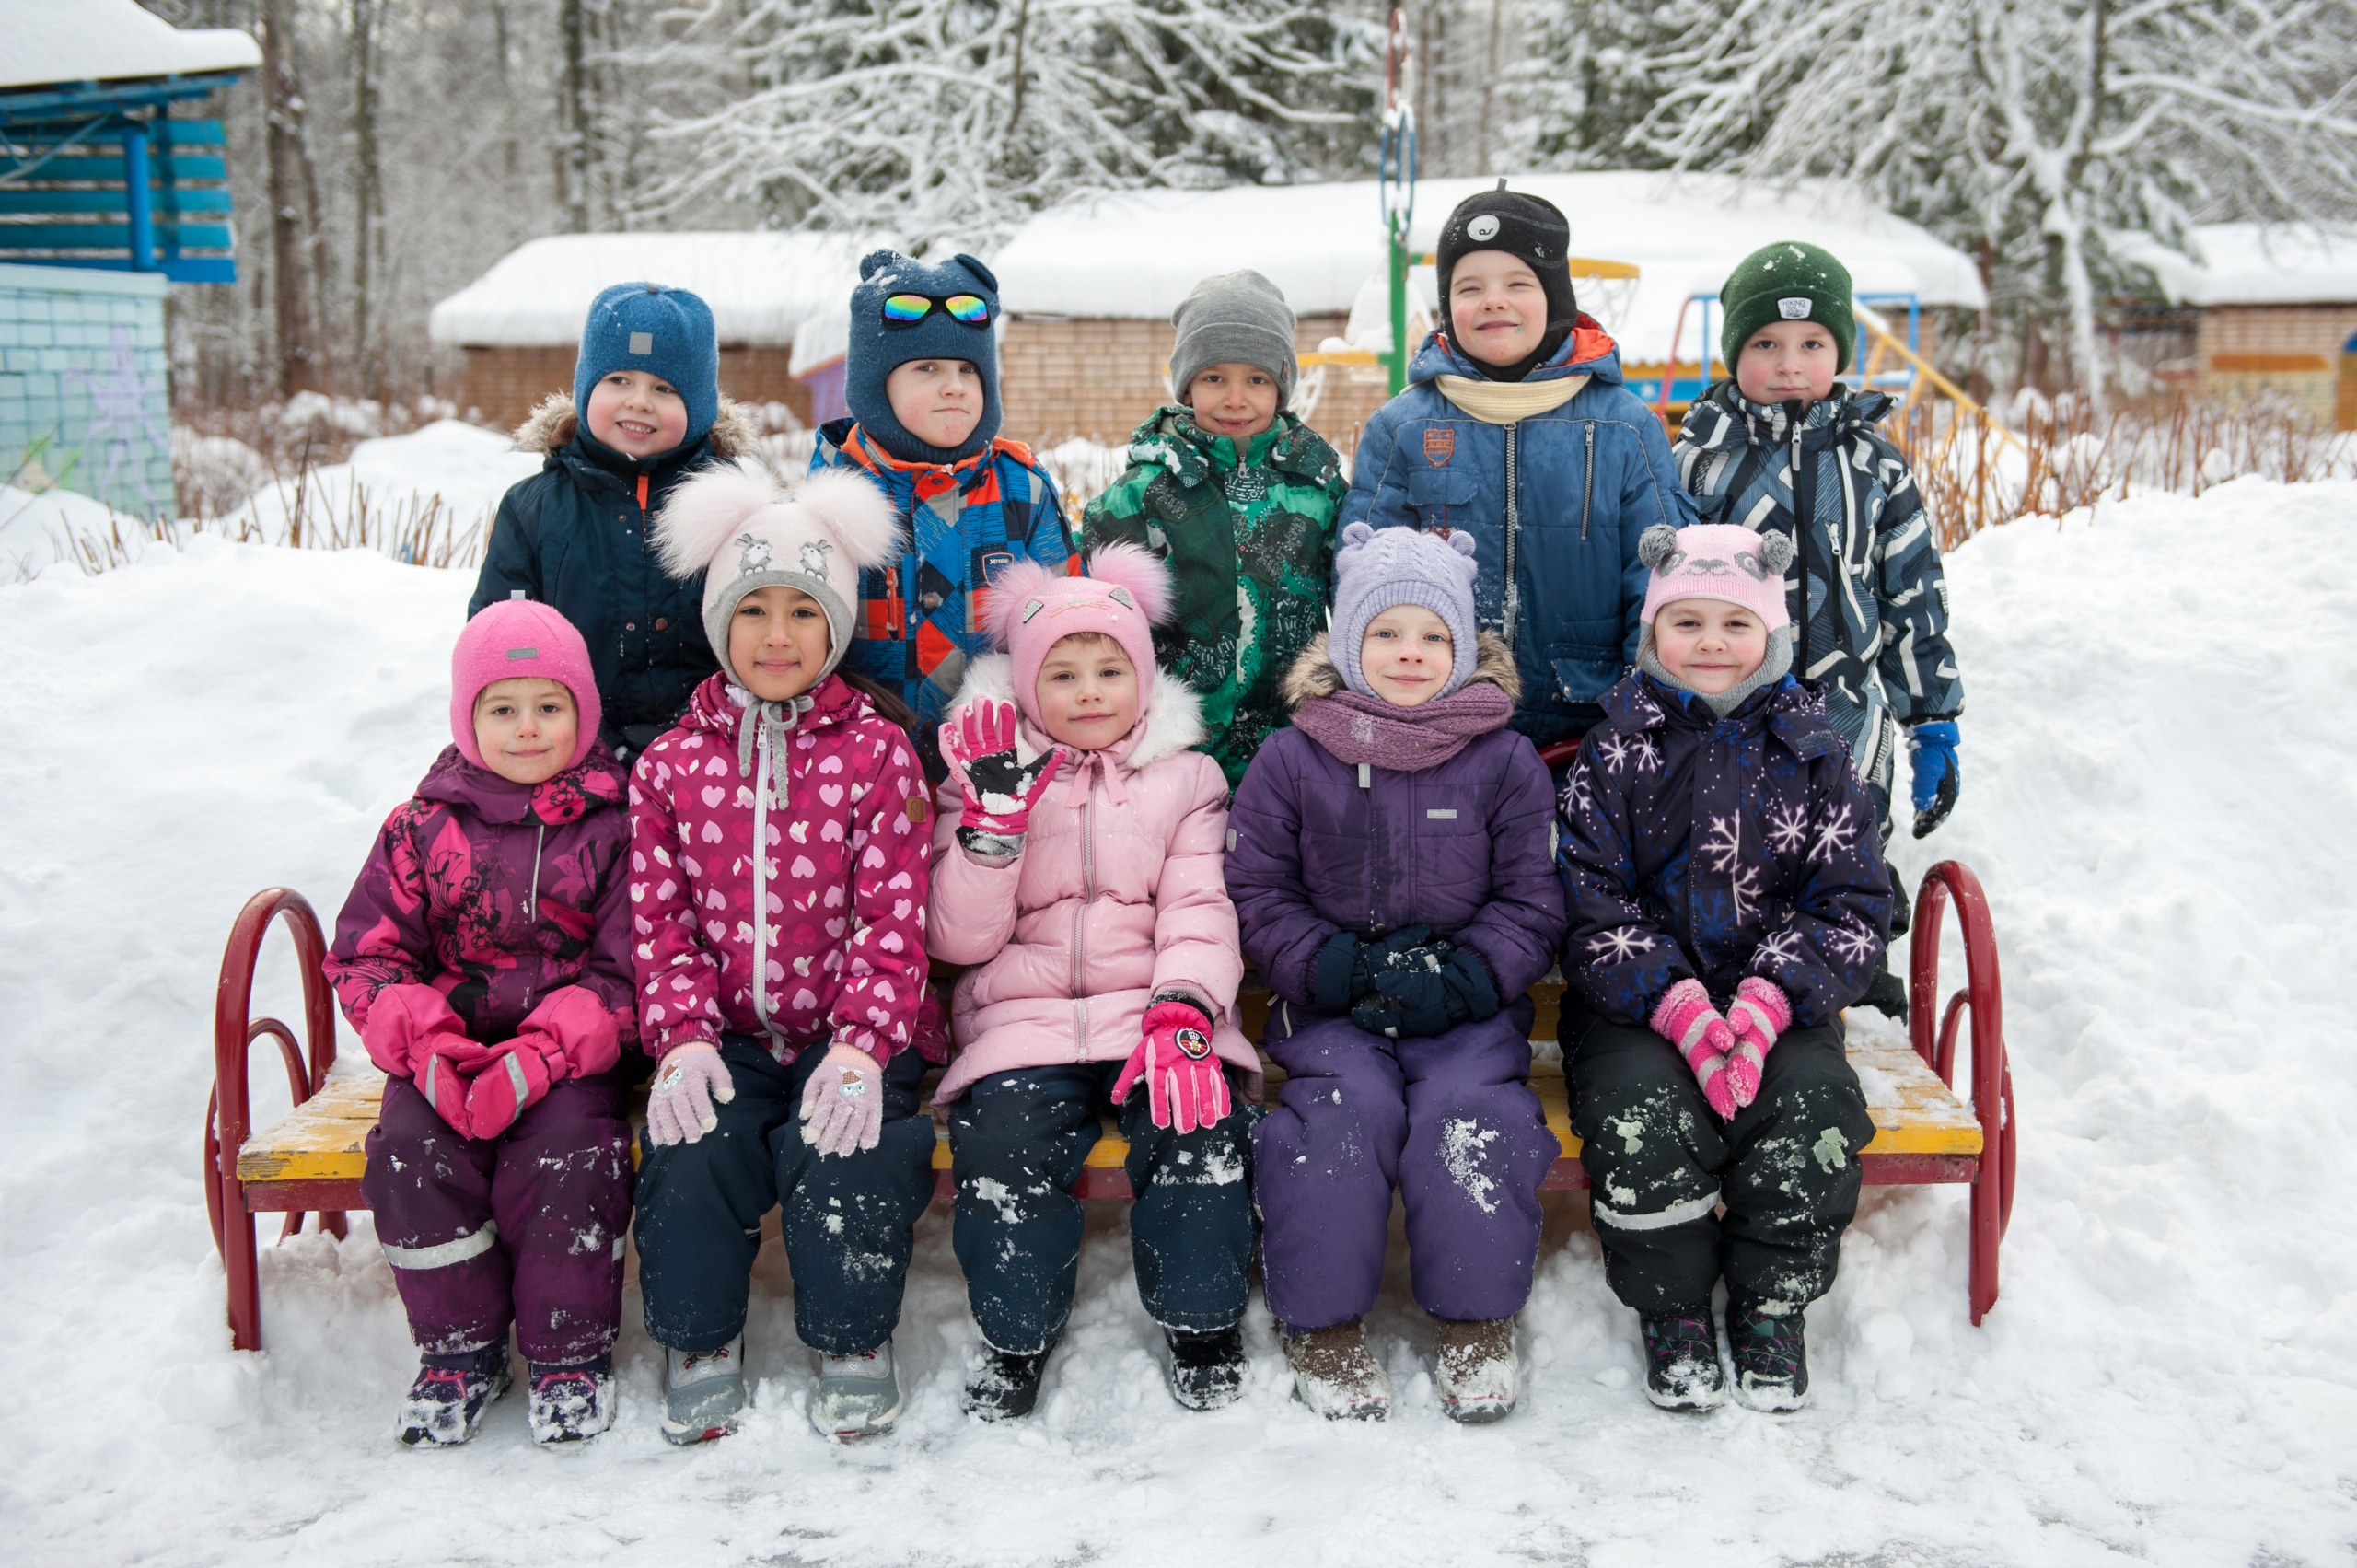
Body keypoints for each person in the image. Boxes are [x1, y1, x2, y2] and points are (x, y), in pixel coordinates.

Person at [625, 459, 936, 1446]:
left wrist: (863, 1044)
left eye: (803, 612)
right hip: (725, 1037)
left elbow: (894, 917)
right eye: (752, 610)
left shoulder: (878, 753)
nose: (775, 634)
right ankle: (698, 1338)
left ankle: (852, 1336)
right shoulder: (671, 765)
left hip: (849, 1037)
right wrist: (682, 1036)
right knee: (691, 1149)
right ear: (719, 621)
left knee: (850, 1147)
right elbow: (660, 922)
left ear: (835, 627)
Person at [1227, 523, 1566, 1423]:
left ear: (1462, 649)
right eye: (1385, 632)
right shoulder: (1293, 755)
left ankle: (1477, 1319)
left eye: (1432, 635)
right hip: (1333, 1008)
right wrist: (1331, 964)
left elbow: (1531, 896)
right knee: (1340, 1115)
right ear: (1348, 640)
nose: (1409, 653)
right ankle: (1321, 1323)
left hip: (1466, 1008)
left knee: (1472, 1113)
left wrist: (1465, 976)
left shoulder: (1504, 758)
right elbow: (1258, 888)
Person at [1555, 521, 1893, 1413]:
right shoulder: (1615, 749)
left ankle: (1773, 1302)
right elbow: (1588, 895)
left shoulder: (1814, 753)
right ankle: (1672, 1307)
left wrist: (1770, 997)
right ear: (1652, 632)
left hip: (1778, 1002)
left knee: (1811, 1107)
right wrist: (1672, 999)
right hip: (1636, 1004)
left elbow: (1852, 901)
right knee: (1638, 1111)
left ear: (1772, 634)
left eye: (1735, 623)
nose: (1711, 642)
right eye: (1687, 621)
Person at [923, 544, 1260, 1420]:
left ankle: (1202, 1320)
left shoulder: (1187, 778)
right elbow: (958, 937)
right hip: (1021, 1023)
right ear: (1026, 686)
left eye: (1110, 670)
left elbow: (1199, 908)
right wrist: (992, 829)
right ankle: (1014, 1333)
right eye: (1063, 674)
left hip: (1153, 1014)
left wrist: (1185, 1007)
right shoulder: (985, 775)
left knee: (1198, 1123)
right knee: (1003, 1144)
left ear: (1142, 677)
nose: (1089, 693)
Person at [325, 600, 638, 1448]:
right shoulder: (420, 827)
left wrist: (546, 1053)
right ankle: (459, 1349)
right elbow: (368, 954)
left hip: (569, 1058)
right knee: (410, 1153)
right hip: (448, 1052)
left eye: (548, 706)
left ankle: (569, 1352)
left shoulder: (616, 828)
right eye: (502, 708)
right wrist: (425, 1046)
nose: (526, 728)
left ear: (583, 713)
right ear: (468, 718)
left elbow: (629, 965)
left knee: (568, 1158)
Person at [1675, 240, 1967, 1016]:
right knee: (1738, 854)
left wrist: (1932, 719)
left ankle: (1851, 971)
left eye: (1812, 344)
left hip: (1846, 711)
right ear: (1735, 352)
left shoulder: (1876, 467)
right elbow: (1662, 594)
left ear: (1840, 350)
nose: (1789, 364)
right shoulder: (1700, 463)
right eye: (1766, 344)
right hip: (1730, 707)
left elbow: (1913, 596)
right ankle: (1739, 982)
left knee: (1847, 851)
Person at [1341, 182, 1694, 751]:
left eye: (1517, 284)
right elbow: (1362, 577)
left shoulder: (1625, 425)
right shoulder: (1402, 427)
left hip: (1593, 727)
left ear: (1555, 297)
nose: (1493, 301)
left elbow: (1661, 578)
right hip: (1442, 721)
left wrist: (1646, 719)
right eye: (1469, 287)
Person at [811, 250, 1071, 783]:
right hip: (861, 770)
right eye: (927, 369)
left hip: (998, 769)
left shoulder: (1022, 489)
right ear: (876, 385)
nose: (954, 385)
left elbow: (1067, 624)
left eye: (967, 370)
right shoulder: (835, 494)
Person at [470, 282, 757, 763]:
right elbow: (502, 638)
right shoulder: (532, 508)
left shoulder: (738, 504)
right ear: (585, 389)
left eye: (664, 389)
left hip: (712, 752)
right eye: (619, 380)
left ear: (700, 407)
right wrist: (580, 735)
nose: (639, 402)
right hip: (573, 751)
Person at [1081, 270, 1346, 787]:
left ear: (1281, 386)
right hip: (1176, 748)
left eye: (1257, 380)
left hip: (1298, 740)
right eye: (1214, 378)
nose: (1235, 399)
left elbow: (1355, 599)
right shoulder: (1144, 493)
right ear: (1186, 385)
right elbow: (1097, 619)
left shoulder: (1317, 489)